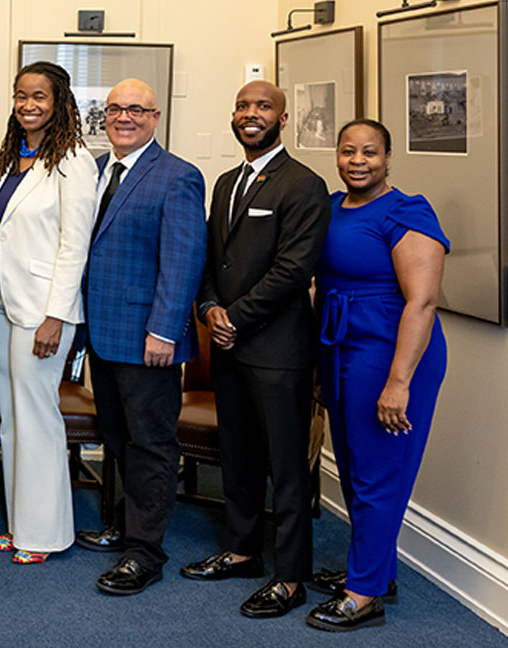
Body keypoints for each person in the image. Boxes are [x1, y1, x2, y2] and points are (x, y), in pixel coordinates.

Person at [182, 80, 331, 617]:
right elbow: (210, 258)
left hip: (278, 352)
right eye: (243, 105)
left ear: (283, 119)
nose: (250, 113)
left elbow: (294, 270)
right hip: (227, 347)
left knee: (285, 467)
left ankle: (290, 578)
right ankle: (242, 550)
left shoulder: (304, 184)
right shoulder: (225, 183)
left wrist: (235, 318)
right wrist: (208, 310)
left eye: (262, 106)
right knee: (238, 457)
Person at [305, 119, 448, 632]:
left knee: (378, 474)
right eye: (348, 152)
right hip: (341, 348)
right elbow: (321, 282)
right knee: (351, 467)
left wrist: (399, 381)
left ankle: (363, 594)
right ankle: (375, 571)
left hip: (390, 352)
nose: (358, 161)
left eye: (369, 152)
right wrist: (323, 367)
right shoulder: (330, 208)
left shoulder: (406, 210)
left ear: (388, 158)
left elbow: (423, 300)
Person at [78, 78, 207, 594]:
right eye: (114, 109)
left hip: (147, 338)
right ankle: (124, 525)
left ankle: (145, 553)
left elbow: (183, 260)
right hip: (104, 334)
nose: (123, 117)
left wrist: (164, 330)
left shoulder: (177, 176)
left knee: (151, 443)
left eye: (135, 109)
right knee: (117, 436)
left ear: (155, 117)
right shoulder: (97, 170)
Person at [0, 62, 97, 564]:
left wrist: (57, 315)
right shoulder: (11, 156)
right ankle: (20, 522)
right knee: (13, 418)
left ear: (59, 102)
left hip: (40, 311)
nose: (28, 105)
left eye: (39, 97)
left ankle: (46, 533)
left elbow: (75, 246)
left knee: (38, 418)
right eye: (21, 95)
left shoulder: (74, 161)